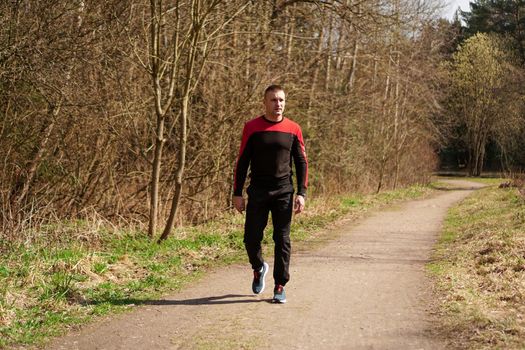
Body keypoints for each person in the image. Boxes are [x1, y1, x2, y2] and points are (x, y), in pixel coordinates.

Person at [233, 84, 308, 304]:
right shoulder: (252, 127)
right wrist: (237, 193)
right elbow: (242, 161)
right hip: (258, 190)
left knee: (282, 239)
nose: (278, 104)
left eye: (282, 100)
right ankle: (258, 267)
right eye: (274, 100)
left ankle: (280, 285)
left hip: (284, 191)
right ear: (265, 102)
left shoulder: (294, 128)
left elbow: (302, 162)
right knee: (251, 238)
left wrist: (301, 193)